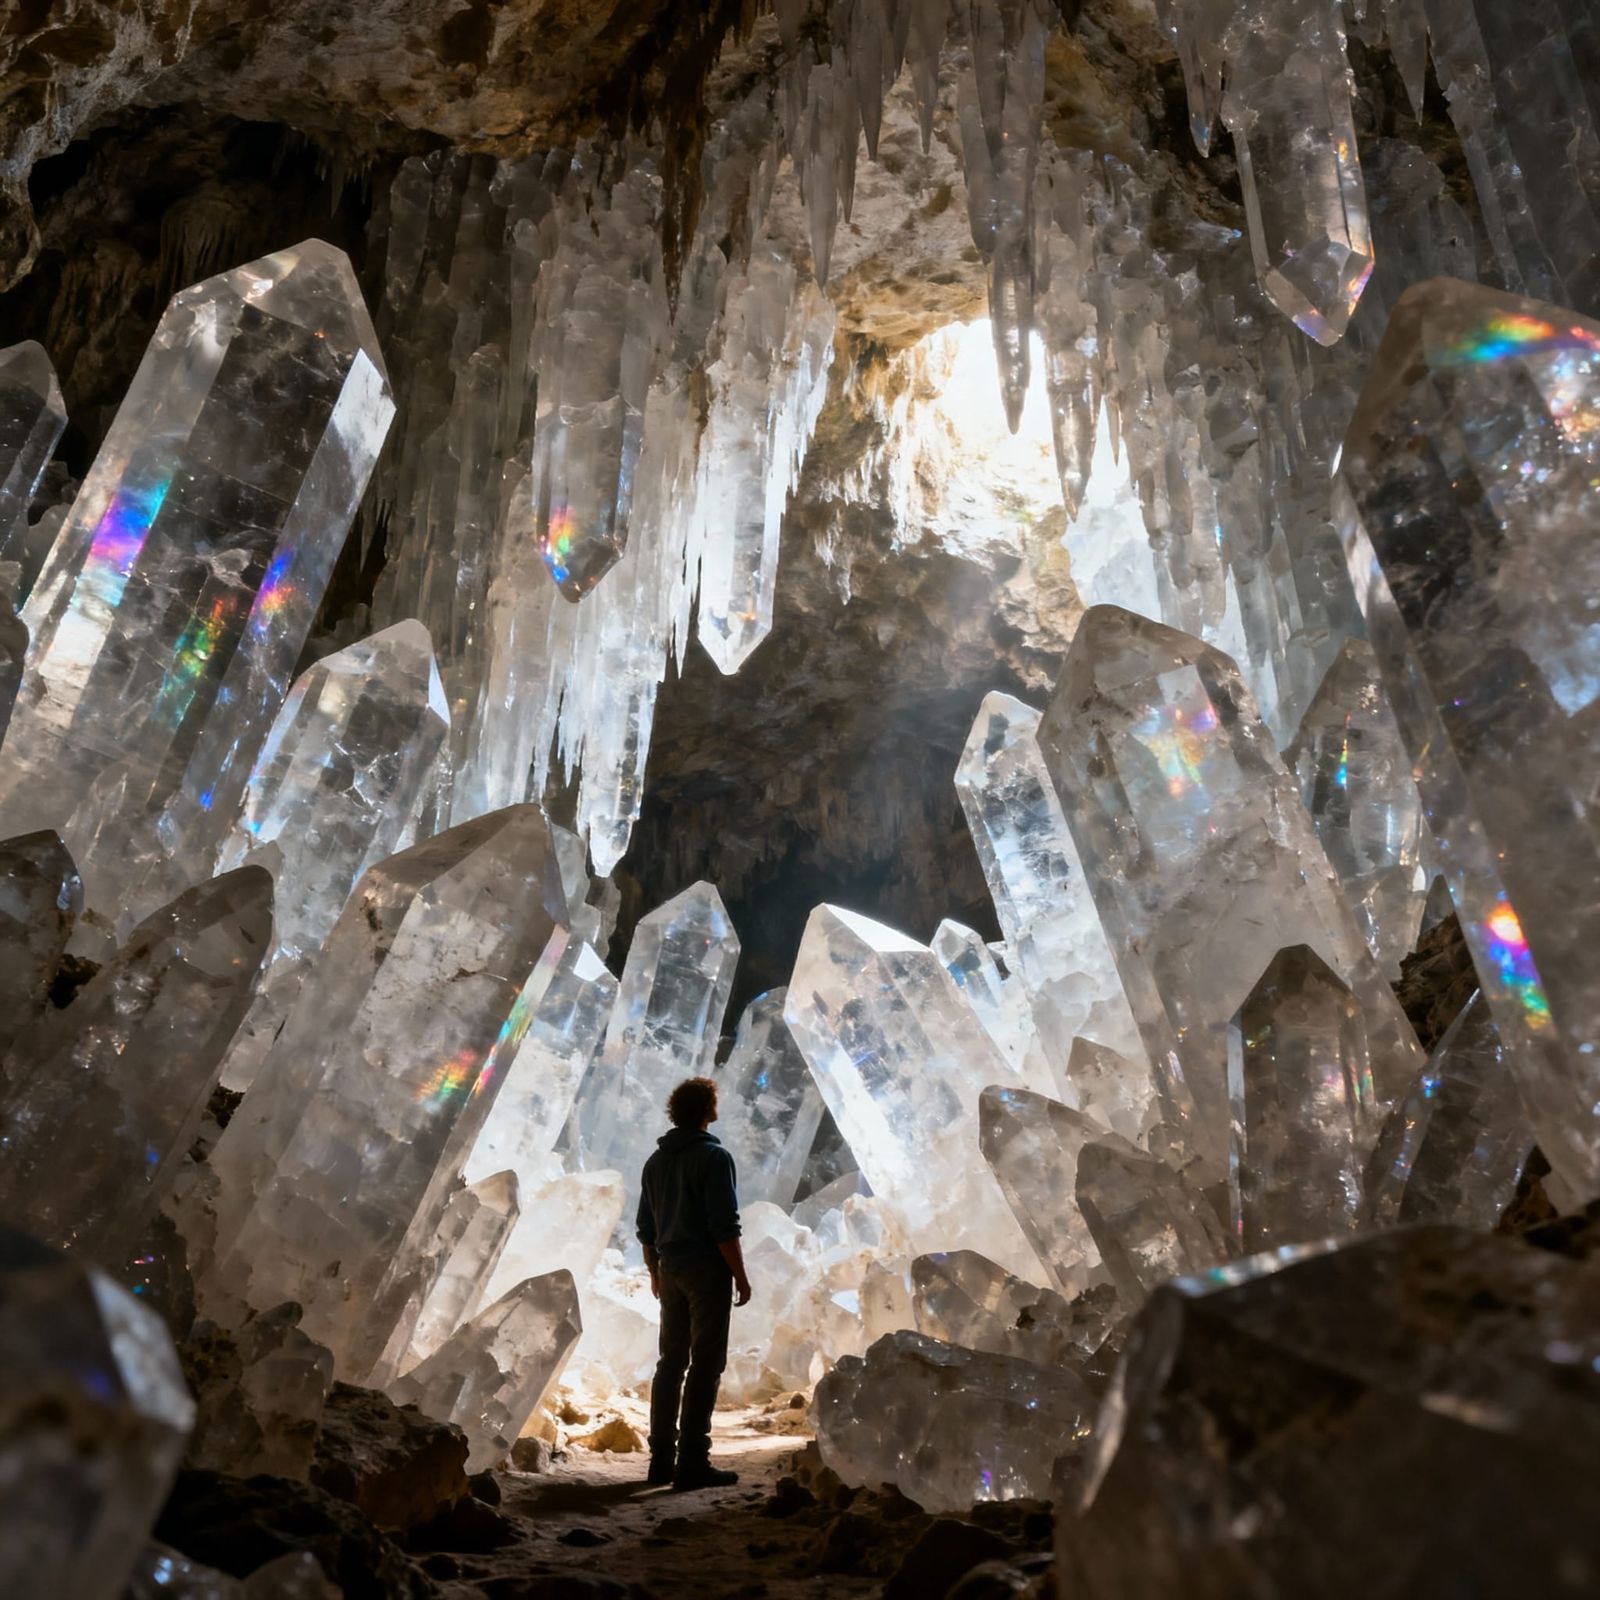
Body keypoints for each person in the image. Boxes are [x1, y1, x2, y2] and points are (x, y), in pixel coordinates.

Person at [636, 1075, 752, 1490]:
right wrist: (740, 1275)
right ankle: (693, 1462)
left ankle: (660, 1461)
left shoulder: (656, 1162)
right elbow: (724, 1226)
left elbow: (645, 1228)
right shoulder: (714, 1159)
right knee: (706, 1362)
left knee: (670, 1363)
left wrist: (654, 1272)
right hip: (705, 1270)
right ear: (708, 1109)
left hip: (670, 1269)